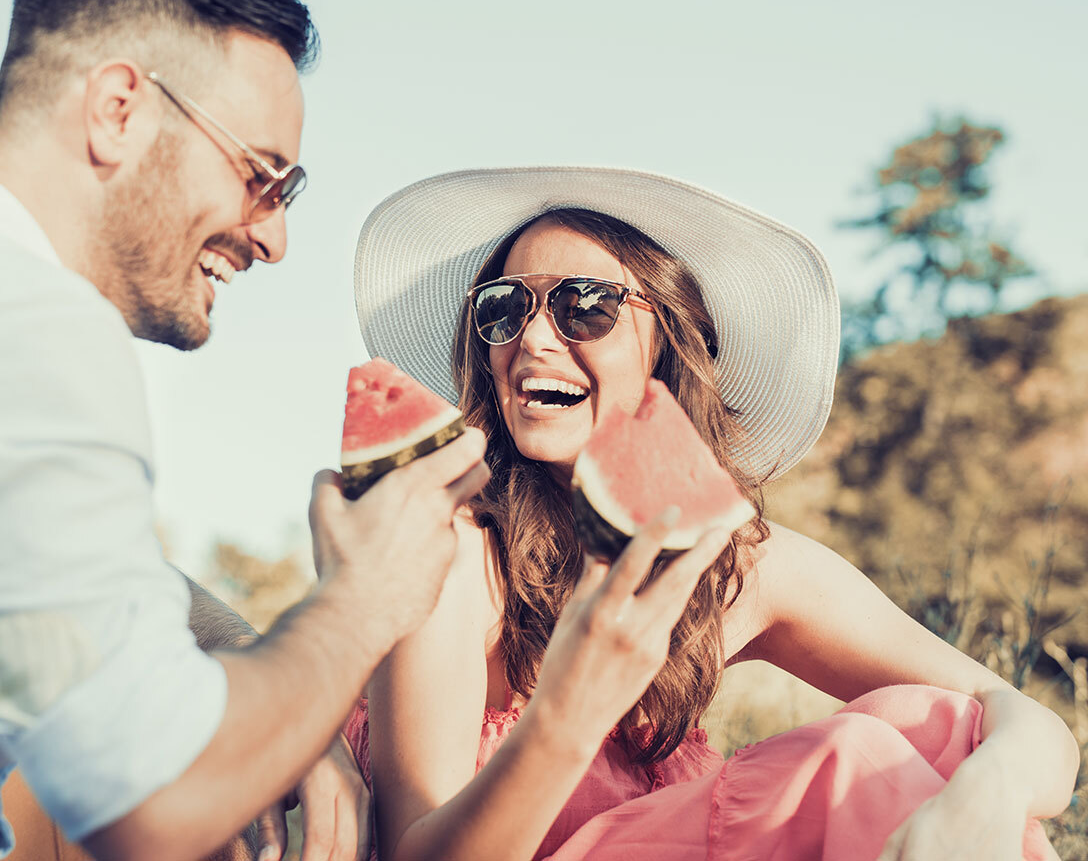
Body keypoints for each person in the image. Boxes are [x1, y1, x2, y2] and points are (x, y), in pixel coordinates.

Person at [0, 0, 488, 860]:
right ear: (118, 110)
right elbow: (152, 800)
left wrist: (271, 679)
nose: (275, 237)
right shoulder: (29, 331)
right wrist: (364, 600)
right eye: (261, 176)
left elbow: (79, 578)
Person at [342, 167, 1081, 860]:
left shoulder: (731, 562)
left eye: (584, 304)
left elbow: (1017, 718)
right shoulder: (453, 546)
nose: (533, 338)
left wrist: (988, 791)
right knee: (848, 761)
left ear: (670, 343)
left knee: (939, 727)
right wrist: (569, 705)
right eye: (503, 308)